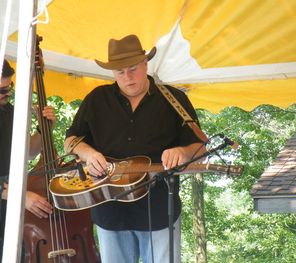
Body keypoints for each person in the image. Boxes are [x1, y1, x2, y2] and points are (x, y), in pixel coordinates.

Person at [64, 34, 207, 263]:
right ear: (112, 73)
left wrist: (183, 152)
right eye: (120, 72)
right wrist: (89, 154)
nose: (127, 77)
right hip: (108, 208)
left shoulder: (174, 99)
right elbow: (70, 141)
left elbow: (200, 146)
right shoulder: (96, 99)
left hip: (159, 209)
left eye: (133, 69)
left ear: (145, 63)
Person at [0, 59, 55, 260]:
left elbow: (28, 153)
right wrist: (20, 196)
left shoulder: (10, 112)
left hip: (12, 214)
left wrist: (43, 130)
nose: (8, 93)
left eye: (10, 87)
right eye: (1, 90)